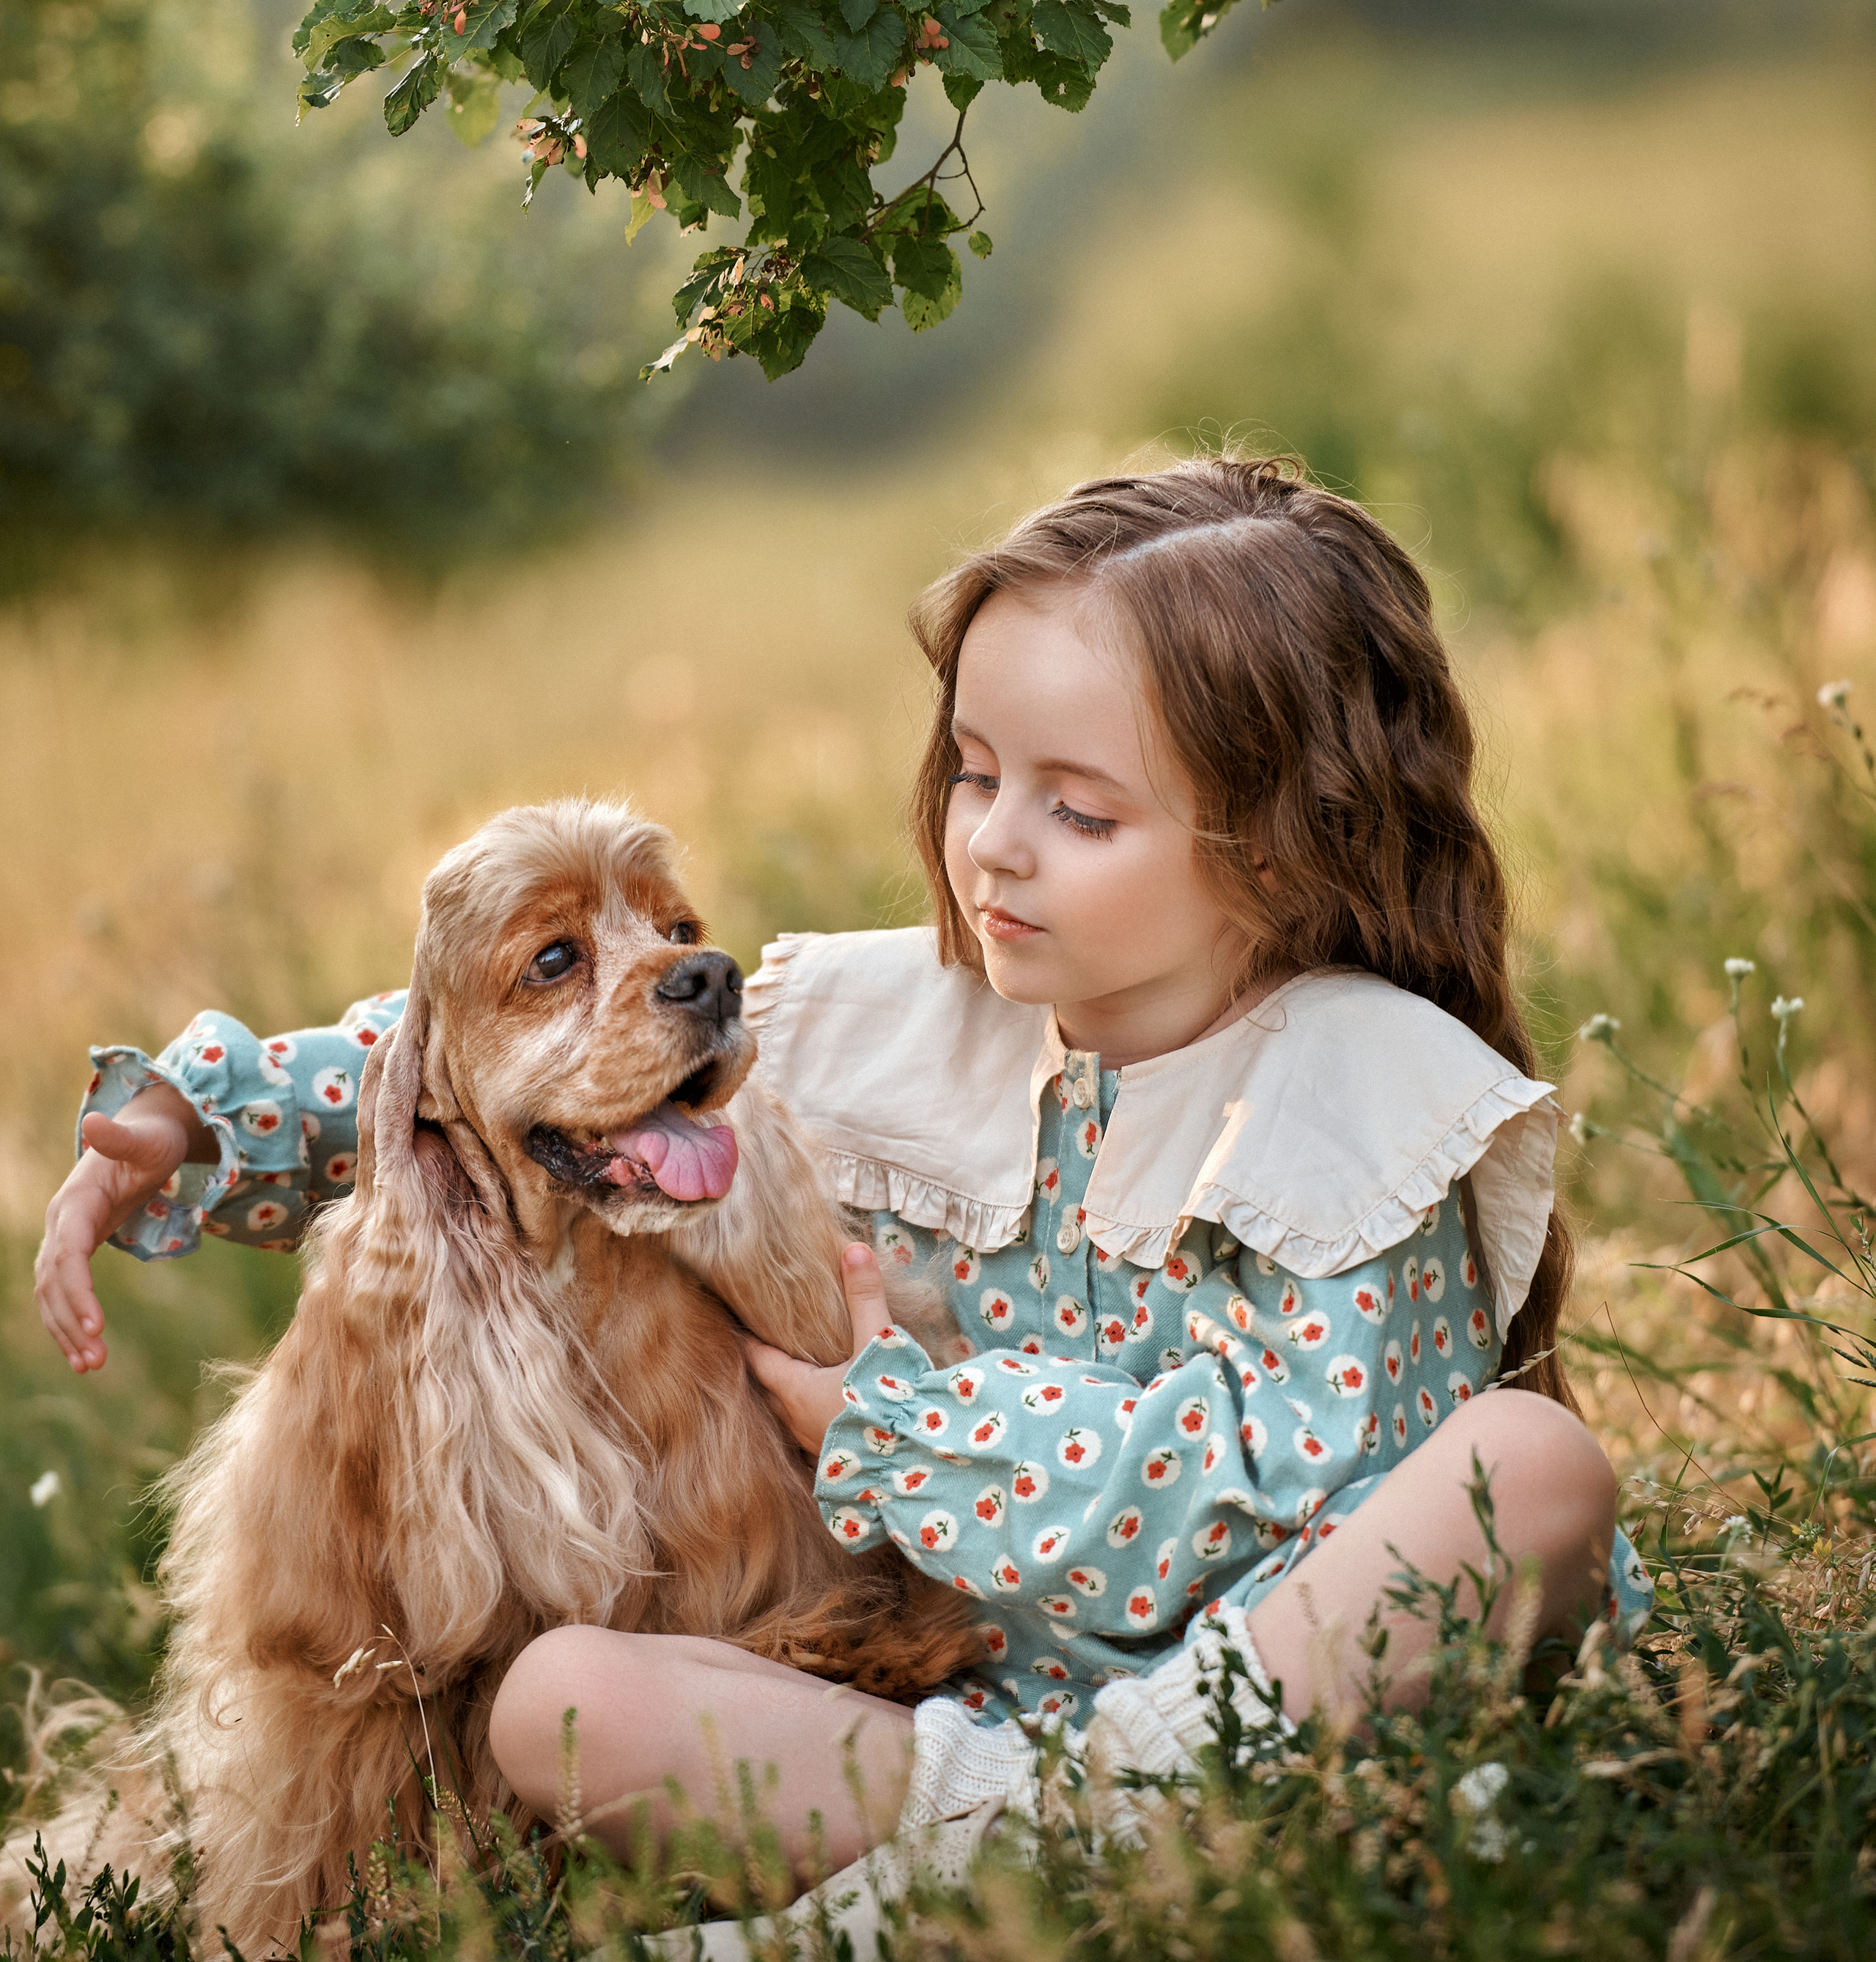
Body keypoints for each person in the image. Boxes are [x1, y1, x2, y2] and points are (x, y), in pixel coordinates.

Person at [34, 458, 1636, 1884]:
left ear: (1280, 848)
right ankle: (1016, 1844)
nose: (992, 842)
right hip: (960, 1716)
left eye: (1074, 810)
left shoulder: (1352, 1106)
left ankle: (1067, 1852)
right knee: (560, 1701)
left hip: (1277, 1688)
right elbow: (468, 1049)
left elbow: (1236, 1504)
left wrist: (896, 1417)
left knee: (1527, 1467)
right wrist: (204, 1112)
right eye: (972, 771)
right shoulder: (916, 1019)